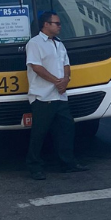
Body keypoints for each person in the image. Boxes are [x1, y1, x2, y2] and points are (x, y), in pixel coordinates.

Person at [25, 11, 88, 180]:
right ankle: (34, 166)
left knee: (67, 129)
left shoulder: (59, 44)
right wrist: (56, 82)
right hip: (43, 97)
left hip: (60, 96)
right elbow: (36, 67)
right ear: (46, 24)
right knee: (39, 133)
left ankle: (68, 163)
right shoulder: (35, 43)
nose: (60, 26)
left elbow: (66, 64)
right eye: (57, 23)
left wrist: (65, 80)